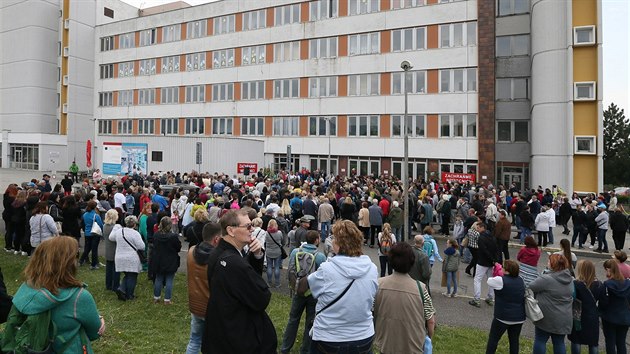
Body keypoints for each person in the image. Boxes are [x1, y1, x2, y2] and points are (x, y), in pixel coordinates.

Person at [8, 236, 104, 353]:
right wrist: (100, 320)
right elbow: (95, 332)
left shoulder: (26, 289)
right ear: (67, 263)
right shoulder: (79, 297)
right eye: (75, 255)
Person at [201, 210, 277, 353]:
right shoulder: (233, 262)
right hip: (238, 336)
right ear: (231, 230)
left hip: (221, 331)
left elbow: (242, 282)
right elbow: (261, 298)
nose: (252, 229)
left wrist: (257, 256)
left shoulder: (219, 253)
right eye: (248, 226)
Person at [306, 220, 378, 353]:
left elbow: (312, 287)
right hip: (363, 335)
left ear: (338, 244)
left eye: (333, 238)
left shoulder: (327, 269)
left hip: (330, 335)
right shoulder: (372, 268)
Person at [374, 242, 436, 354]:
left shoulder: (378, 285)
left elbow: (372, 313)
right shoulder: (421, 289)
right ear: (411, 262)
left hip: (386, 344)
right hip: (413, 346)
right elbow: (430, 321)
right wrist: (429, 338)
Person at [280, 230, 327, 354]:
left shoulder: (296, 252)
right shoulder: (320, 256)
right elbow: (324, 275)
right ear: (316, 240)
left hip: (298, 290)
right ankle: (305, 350)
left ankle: (285, 348)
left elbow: (291, 269)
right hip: (312, 293)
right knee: (310, 322)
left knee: (293, 319)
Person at [185, 222, 221, 354]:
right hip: (212, 308)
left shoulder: (191, 251)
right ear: (216, 239)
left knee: (194, 340)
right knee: (216, 344)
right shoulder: (218, 258)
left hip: (195, 304)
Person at [529, 254, 573, 354]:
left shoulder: (547, 279)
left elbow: (532, 286)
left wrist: (543, 274)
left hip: (547, 317)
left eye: (549, 261)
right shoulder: (569, 279)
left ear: (553, 264)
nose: (547, 263)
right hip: (564, 318)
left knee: (540, 340)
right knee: (559, 343)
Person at [485, 259, 526, 354]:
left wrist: (497, 271)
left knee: (493, 339)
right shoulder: (521, 280)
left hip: (502, 317)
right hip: (519, 317)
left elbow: (489, 281)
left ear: (507, 270)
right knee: (514, 341)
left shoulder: (500, 280)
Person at [568, 260, 601, 354]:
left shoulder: (577, 284)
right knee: (593, 342)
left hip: (578, 314)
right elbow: (603, 301)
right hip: (593, 315)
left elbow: (572, 298)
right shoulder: (599, 284)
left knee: (576, 339)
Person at [109, 215, 145, 301]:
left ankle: (121, 289)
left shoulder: (119, 232)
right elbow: (142, 246)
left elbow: (111, 237)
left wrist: (116, 227)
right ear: (135, 224)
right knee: (132, 276)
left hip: (119, 257)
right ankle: (129, 295)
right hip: (132, 258)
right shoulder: (135, 233)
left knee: (128, 275)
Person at [598, 259, 630, 354]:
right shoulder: (628, 284)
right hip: (624, 317)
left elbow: (603, 303)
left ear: (608, 270)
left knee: (610, 342)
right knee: (621, 342)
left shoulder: (607, 285)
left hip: (610, 317)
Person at [151, 216, 182, 304]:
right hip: (170, 260)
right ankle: (167, 299)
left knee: (159, 278)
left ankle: (156, 298)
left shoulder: (156, 235)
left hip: (159, 259)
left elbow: (154, 245)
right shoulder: (173, 236)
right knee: (169, 279)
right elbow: (178, 247)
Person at [469, 222, 498, 308]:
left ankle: (476, 299)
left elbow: (484, 250)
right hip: (491, 262)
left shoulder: (481, 238)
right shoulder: (492, 236)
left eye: (478, 228)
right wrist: (494, 260)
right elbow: (496, 248)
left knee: (477, 280)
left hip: (482, 262)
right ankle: (490, 298)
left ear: (482, 228)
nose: (477, 229)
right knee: (491, 280)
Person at [80, 201, 104, 269]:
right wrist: (102, 232)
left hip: (87, 233)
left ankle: (81, 260)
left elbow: (83, 223)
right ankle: (94, 264)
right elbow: (100, 224)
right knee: (94, 249)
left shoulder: (85, 214)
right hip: (95, 233)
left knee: (87, 248)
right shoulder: (96, 215)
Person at [265, 219, 287, 288]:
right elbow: (282, 240)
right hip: (277, 251)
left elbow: (265, 241)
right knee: (277, 267)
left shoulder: (266, 233)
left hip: (269, 251)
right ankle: (277, 283)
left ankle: (269, 282)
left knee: (269, 267)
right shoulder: (279, 233)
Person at [102, 209, 120, 292]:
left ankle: (108, 284)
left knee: (109, 269)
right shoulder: (114, 228)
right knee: (115, 269)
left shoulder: (105, 226)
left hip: (108, 249)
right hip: (115, 249)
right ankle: (115, 285)